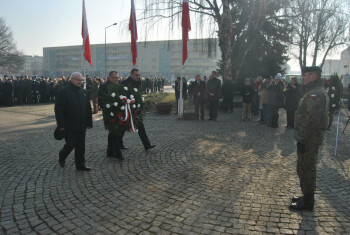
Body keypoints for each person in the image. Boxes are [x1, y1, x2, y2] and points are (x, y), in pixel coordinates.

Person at [290, 66, 328, 210]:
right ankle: (306, 196)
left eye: (305, 75)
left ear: (312, 76)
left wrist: (302, 139)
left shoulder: (315, 94)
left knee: (306, 168)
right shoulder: (314, 92)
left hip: (309, 139)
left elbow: (312, 119)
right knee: (304, 167)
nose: (303, 77)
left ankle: (308, 201)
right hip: (309, 138)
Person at [55, 72, 93, 171]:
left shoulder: (83, 92)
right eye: (78, 80)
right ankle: (62, 155)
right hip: (69, 124)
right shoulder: (63, 91)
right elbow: (59, 109)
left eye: (81, 80)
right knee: (71, 143)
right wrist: (61, 125)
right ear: (71, 79)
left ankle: (80, 164)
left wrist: (89, 123)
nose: (80, 82)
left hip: (82, 124)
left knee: (81, 145)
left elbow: (88, 108)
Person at [122, 69, 156, 150]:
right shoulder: (125, 83)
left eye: (138, 75)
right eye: (136, 75)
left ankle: (147, 145)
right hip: (128, 108)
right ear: (131, 75)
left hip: (137, 108)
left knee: (141, 127)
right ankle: (119, 144)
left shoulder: (138, 82)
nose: (138, 76)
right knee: (122, 127)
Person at [98, 71, 124, 160]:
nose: (116, 79)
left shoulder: (119, 85)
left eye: (117, 77)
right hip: (109, 113)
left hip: (119, 112)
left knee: (113, 133)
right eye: (114, 77)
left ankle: (110, 151)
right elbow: (101, 101)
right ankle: (118, 154)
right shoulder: (104, 86)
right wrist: (108, 108)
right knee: (114, 132)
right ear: (109, 77)